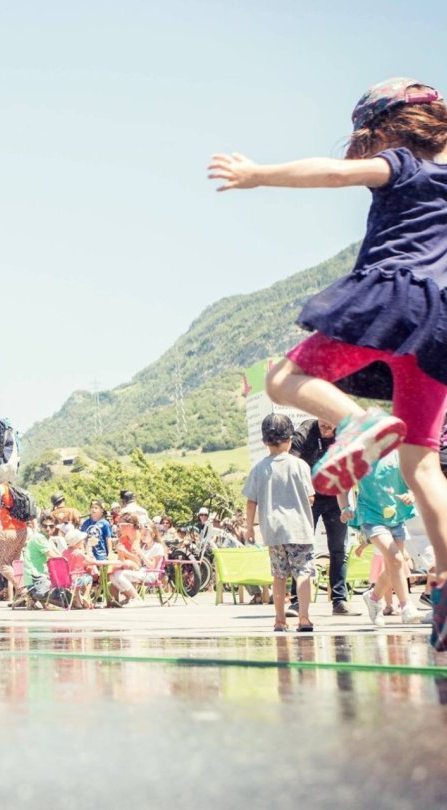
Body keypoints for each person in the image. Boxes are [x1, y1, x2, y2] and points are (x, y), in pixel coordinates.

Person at [210, 77, 447, 649]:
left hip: (394, 295)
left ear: (387, 128)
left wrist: (259, 174)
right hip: (440, 324)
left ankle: (357, 422)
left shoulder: (405, 165)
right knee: (420, 463)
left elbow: (337, 173)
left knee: (283, 377)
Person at [243, 415, 316, 632]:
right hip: (299, 529)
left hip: (273, 532)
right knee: (303, 573)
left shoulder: (258, 469)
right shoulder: (300, 466)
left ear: (264, 441)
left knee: (279, 575)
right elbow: (310, 497)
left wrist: (249, 528)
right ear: (290, 439)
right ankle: (304, 618)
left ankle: (279, 620)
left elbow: (251, 501)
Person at [343, 451, 425, 627]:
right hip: (370, 516)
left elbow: (412, 478)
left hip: (397, 514)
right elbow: (342, 486)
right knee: (396, 559)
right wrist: (345, 508)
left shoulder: (398, 453)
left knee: (393, 566)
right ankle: (406, 606)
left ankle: (373, 597)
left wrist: (411, 494)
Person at [290, 418, 357, 616]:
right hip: (310, 496)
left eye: (330, 419)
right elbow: (292, 465)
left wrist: (348, 505)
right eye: (321, 418)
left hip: (337, 495)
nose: (325, 423)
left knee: (338, 549)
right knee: (301, 546)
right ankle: (296, 602)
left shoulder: (345, 436)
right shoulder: (304, 431)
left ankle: (339, 600)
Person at [0, 482, 30, 605]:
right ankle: (22, 595)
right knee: (16, 562)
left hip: (9, 529)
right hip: (22, 530)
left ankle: (23, 589)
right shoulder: (16, 488)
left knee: (0, 563)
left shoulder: (2, 487)